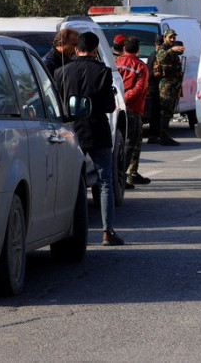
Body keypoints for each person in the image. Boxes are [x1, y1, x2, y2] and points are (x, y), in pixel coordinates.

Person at [53, 31, 124, 246]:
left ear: (76, 49)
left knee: (70, 182)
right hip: (97, 131)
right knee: (104, 182)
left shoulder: (60, 73)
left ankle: (67, 230)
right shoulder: (103, 72)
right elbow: (109, 106)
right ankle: (107, 231)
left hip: (70, 132)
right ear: (95, 50)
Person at [116, 36, 150, 187]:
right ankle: (120, 178)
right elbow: (140, 89)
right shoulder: (141, 67)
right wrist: (125, 99)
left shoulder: (115, 63)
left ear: (124, 48)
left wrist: (118, 100)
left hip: (116, 109)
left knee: (117, 144)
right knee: (129, 146)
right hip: (132, 109)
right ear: (138, 50)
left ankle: (119, 177)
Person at [154, 29, 183, 146]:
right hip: (165, 85)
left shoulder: (172, 49)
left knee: (169, 111)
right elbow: (160, 58)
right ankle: (163, 136)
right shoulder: (163, 49)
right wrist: (172, 50)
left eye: (174, 37)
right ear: (165, 37)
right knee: (165, 111)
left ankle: (165, 135)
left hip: (173, 84)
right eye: (170, 37)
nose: (172, 39)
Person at [146, 32, 165, 143]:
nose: (159, 47)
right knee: (154, 113)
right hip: (154, 87)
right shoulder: (153, 56)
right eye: (158, 44)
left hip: (160, 88)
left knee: (158, 113)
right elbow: (150, 73)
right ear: (155, 44)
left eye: (161, 44)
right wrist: (157, 72)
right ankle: (153, 135)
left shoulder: (162, 55)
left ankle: (157, 134)